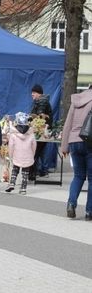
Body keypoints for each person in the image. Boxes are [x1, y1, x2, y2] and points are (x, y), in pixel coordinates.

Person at [60, 87, 92, 220]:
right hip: (89, 141)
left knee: (78, 176)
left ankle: (71, 204)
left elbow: (68, 124)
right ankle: (89, 212)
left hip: (74, 141)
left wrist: (64, 146)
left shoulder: (77, 99)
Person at [6, 112, 36, 195]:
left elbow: (11, 146)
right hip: (28, 155)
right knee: (25, 173)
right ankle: (23, 188)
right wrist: (32, 155)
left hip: (17, 155)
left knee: (15, 169)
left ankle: (12, 183)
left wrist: (10, 155)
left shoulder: (13, 134)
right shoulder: (31, 134)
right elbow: (34, 146)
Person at [29, 84, 53, 180]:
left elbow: (39, 117)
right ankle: (42, 171)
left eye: (34, 93)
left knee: (35, 152)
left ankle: (32, 174)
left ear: (39, 93)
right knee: (39, 152)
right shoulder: (40, 101)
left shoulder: (42, 101)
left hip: (41, 132)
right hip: (42, 131)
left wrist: (31, 120)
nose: (32, 94)